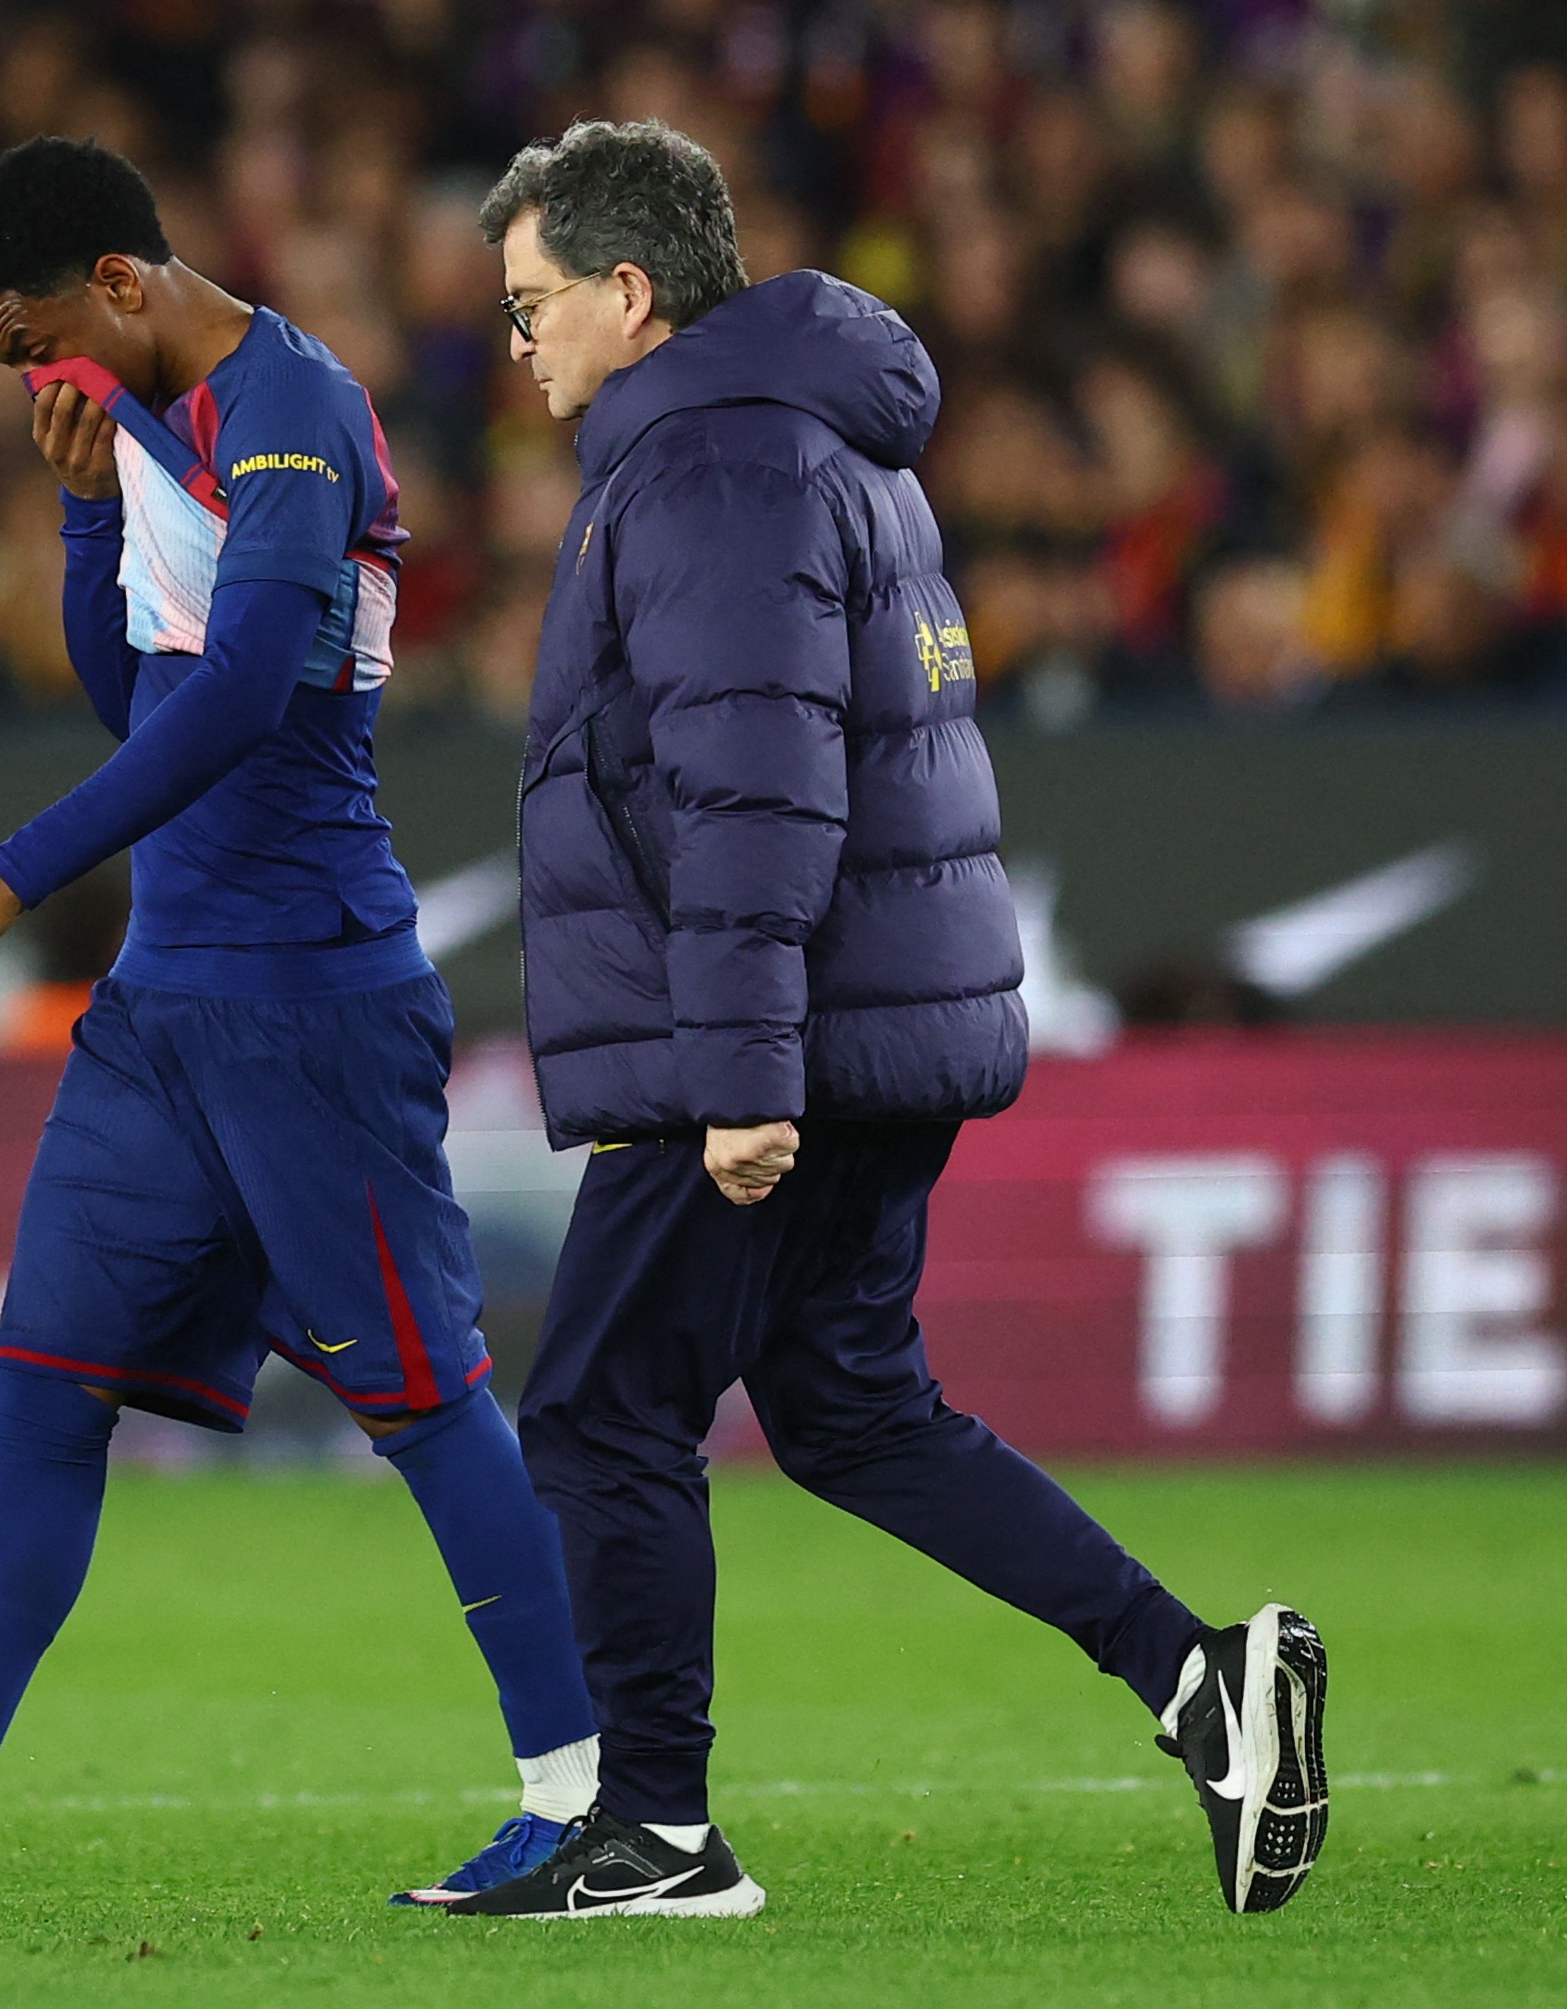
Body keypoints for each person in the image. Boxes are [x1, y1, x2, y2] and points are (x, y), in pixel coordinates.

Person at [0, 137, 599, 1915]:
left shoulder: (291, 411)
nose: (34, 379)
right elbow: (141, 692)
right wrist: (91, 507)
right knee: (46, 1392)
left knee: (427, 1404)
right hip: (166, 1008)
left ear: (116, 279)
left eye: (33, 345)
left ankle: (588, 1805)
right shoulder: (161, 430)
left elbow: (253, 694)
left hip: (311, 999)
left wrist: (11, 876)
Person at [440, 120, 1329, 1923]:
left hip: (776, 1042)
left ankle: (658, 1834)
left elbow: (756, 790)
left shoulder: (710, 469)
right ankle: (1204, 1681)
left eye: (534, 303)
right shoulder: (814, 438)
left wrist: (743, 1078)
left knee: (604, 1410)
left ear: (632, 291)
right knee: (849, 1410)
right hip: (864, 1020)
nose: (517, 342)